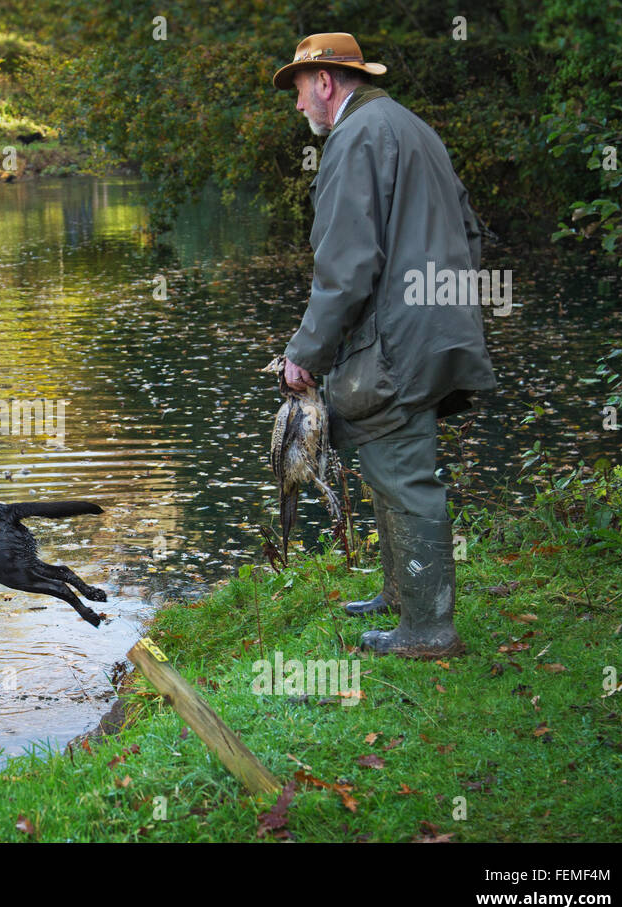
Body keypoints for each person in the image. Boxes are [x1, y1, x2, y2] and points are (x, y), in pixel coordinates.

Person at [271, 33, 496, 659]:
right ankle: (401, 596)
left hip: (400, 336)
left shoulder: (354, 138)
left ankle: (428, 629)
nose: (297, 107)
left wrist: (305, 353)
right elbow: (470, 230)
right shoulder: (409, 126)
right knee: (386, 460)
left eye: (297, 91)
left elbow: (346, 265)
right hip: (436, 325)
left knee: (403, 473)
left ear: (324, 83)